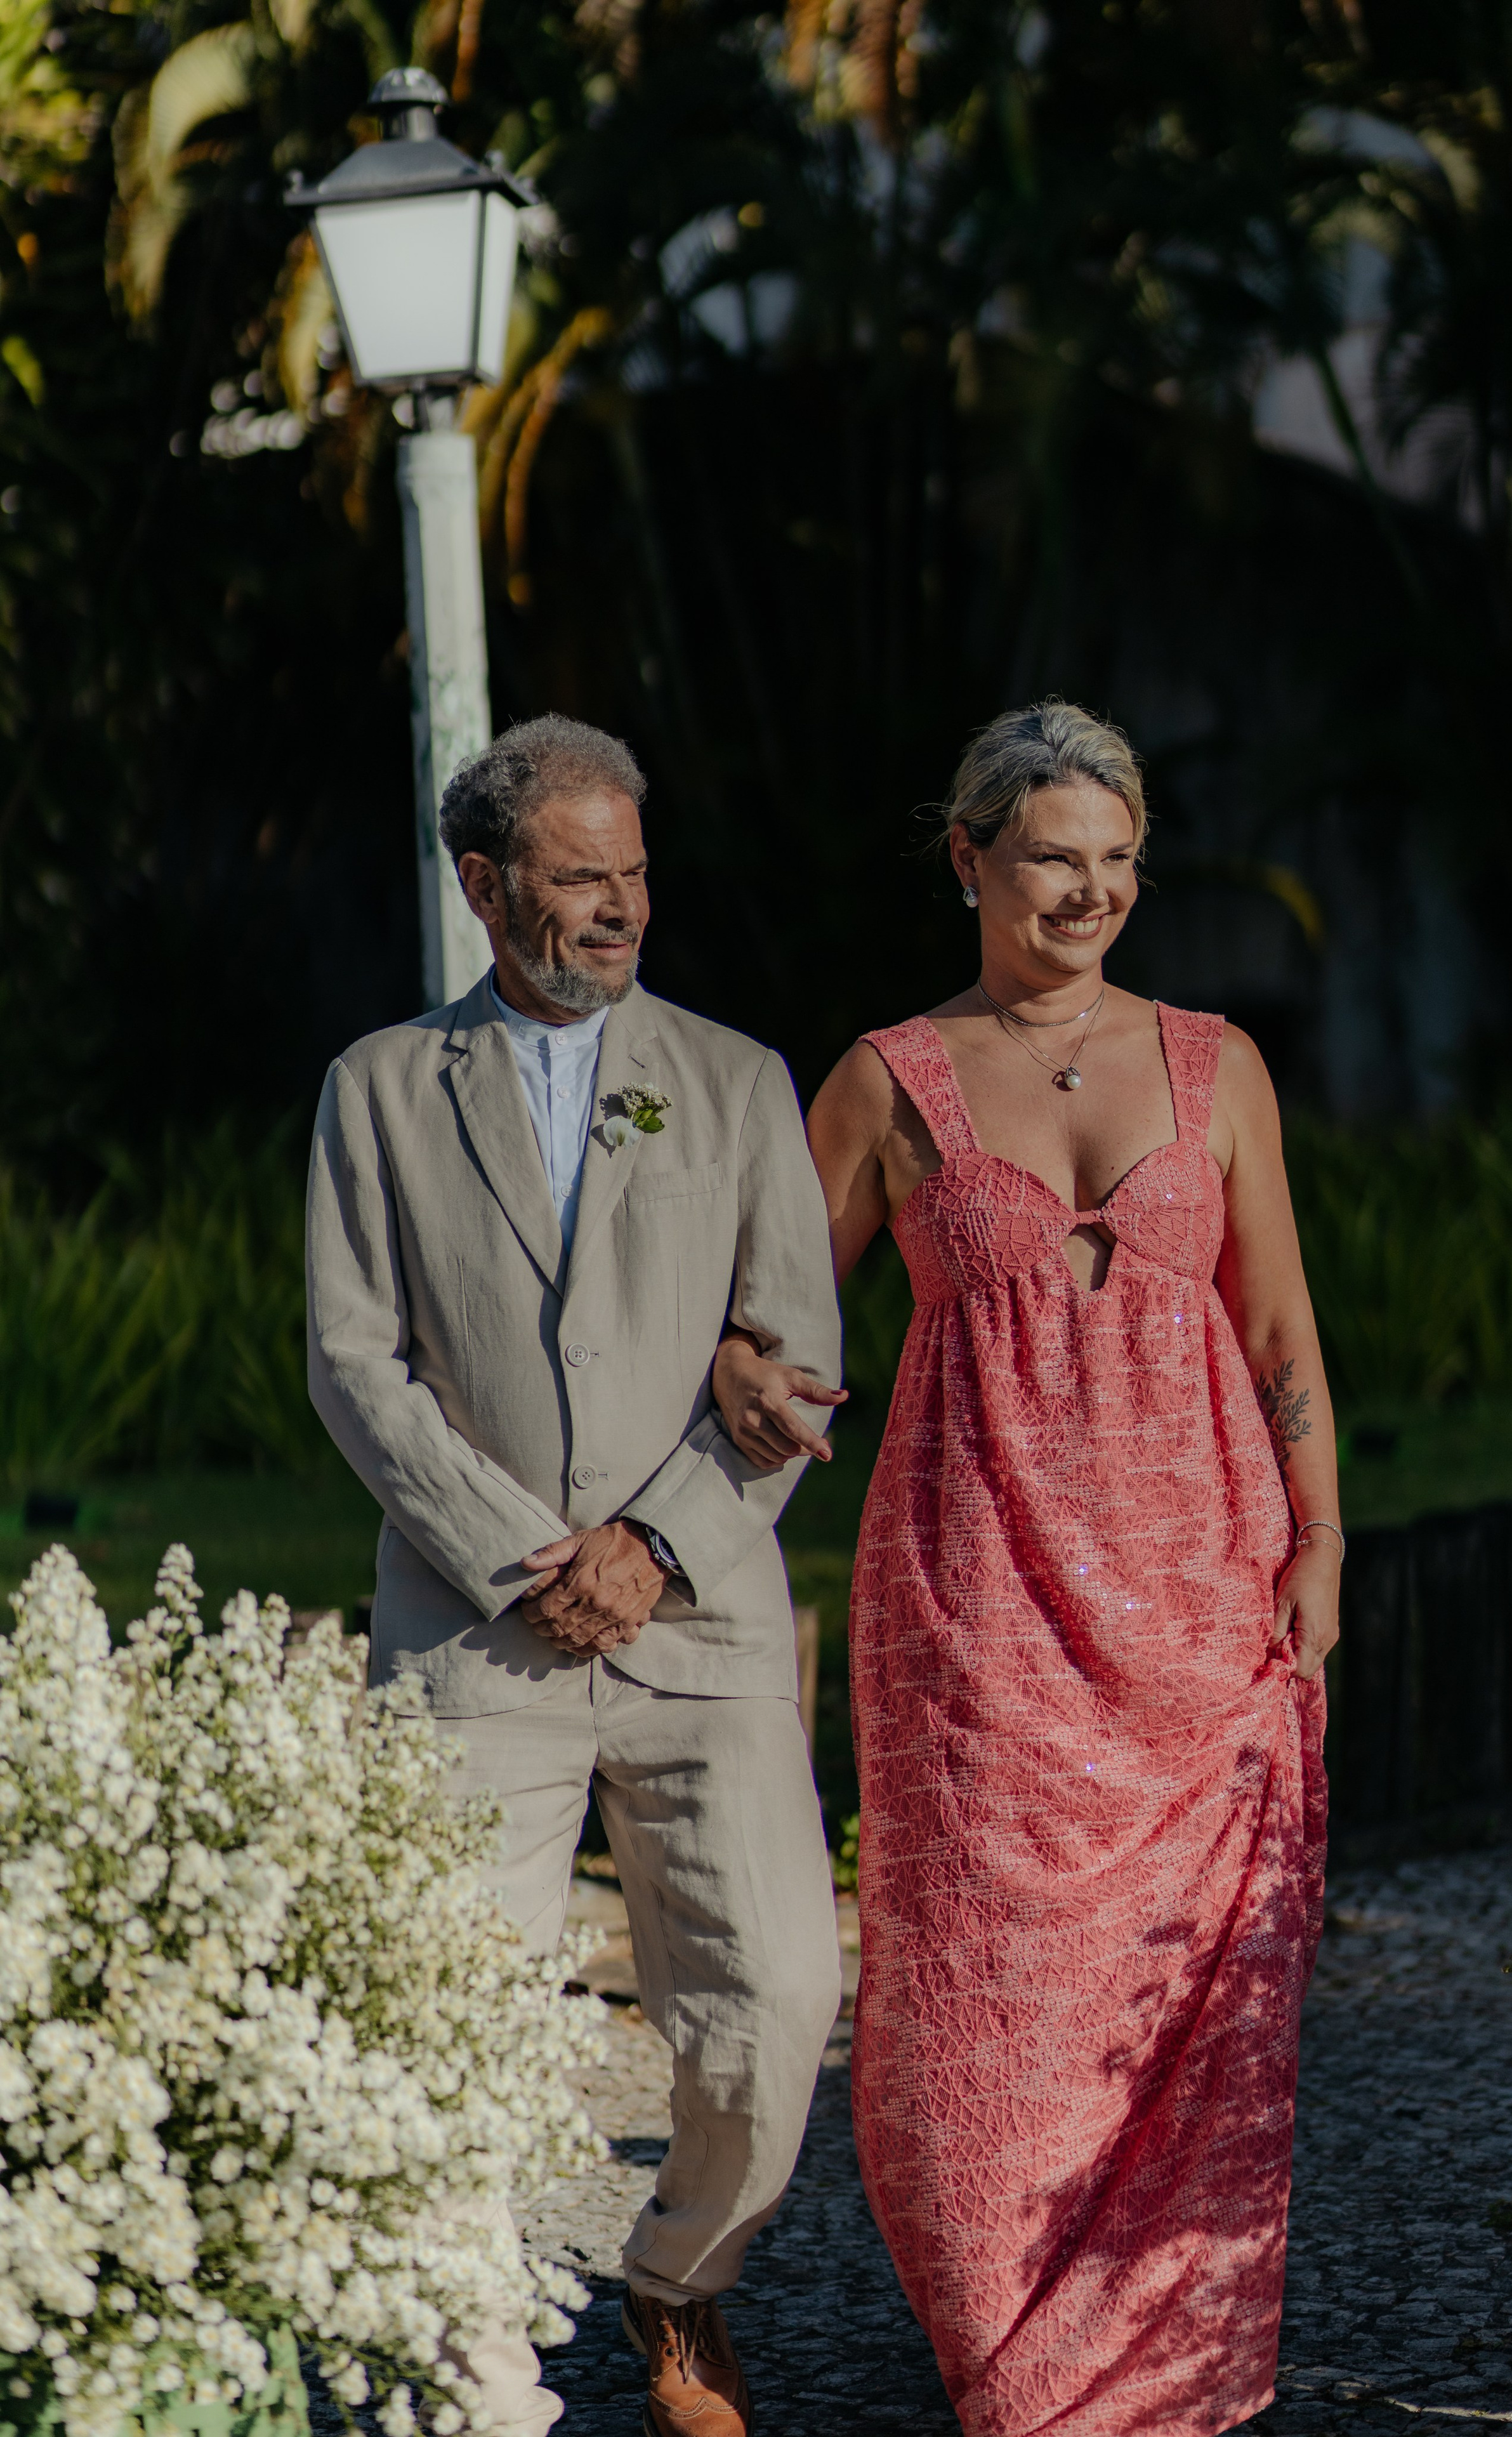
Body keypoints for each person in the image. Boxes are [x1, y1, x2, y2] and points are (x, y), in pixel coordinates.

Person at [713, 700, 1336, 2437]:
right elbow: (775, 1313)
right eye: (1054, 852)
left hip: (1203, 1596)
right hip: (974, 1599)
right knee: (979, 2016)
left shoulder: (1219, 1066)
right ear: (970, 856)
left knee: (1192, 1998)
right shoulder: (884, 1078)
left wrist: (1325, 1537)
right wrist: (748, 1376)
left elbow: (1276, 1324)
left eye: (1119, 856)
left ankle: (1162, 2379)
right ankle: (1014, 2364)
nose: (1092, 889)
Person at [306, 714, 843, 2437]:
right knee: (445, 2014)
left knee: (777, 1995)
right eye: (578, 876)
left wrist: (653, 1539)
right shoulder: (379, 1087)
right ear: (483, 883)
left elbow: (797, 1364)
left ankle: (679, 2278)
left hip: (700, 1616)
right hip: (479, 1635)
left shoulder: (739, 1079)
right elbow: (353, 1362)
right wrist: (515, 1555)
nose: (621, 906)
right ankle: (472, 2374)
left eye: (634, 872)